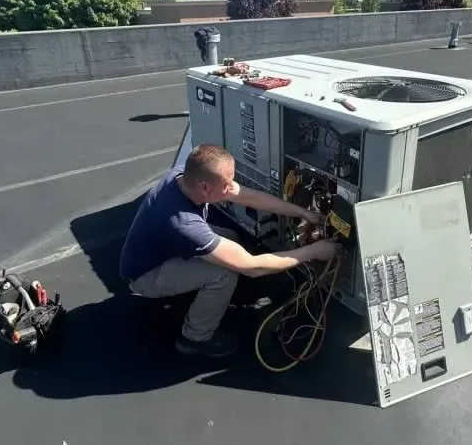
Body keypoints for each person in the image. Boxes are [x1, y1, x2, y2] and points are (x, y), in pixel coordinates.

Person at [120, 143, 340, 357]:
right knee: (224, 274)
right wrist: (314, 252)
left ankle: (208, 296)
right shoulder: (184, 224)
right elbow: (252, 268)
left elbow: (249, 196)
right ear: (205, 187)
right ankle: (194, 338)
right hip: (147, 274)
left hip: (165, 248)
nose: (231, 188)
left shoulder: (185, 176)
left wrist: (303, 213)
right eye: (227, 184)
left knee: (232, 239)